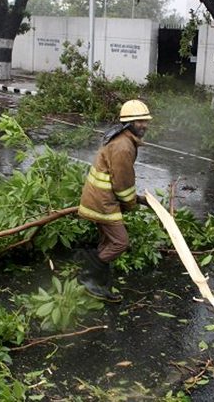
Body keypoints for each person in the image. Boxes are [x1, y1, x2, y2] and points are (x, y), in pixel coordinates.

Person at [78, 100, 152, 302]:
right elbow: (122, 183)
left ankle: (99, 285)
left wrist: (139, 199)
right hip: (102, 202)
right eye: (140, 121)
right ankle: (87, 278)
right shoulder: (123, 146)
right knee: (120, 242)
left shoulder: (123, 138)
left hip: (101, 198)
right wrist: (131, 203)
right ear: (128, 122)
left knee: (107, 242)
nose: (144, 125)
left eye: (146, 121)